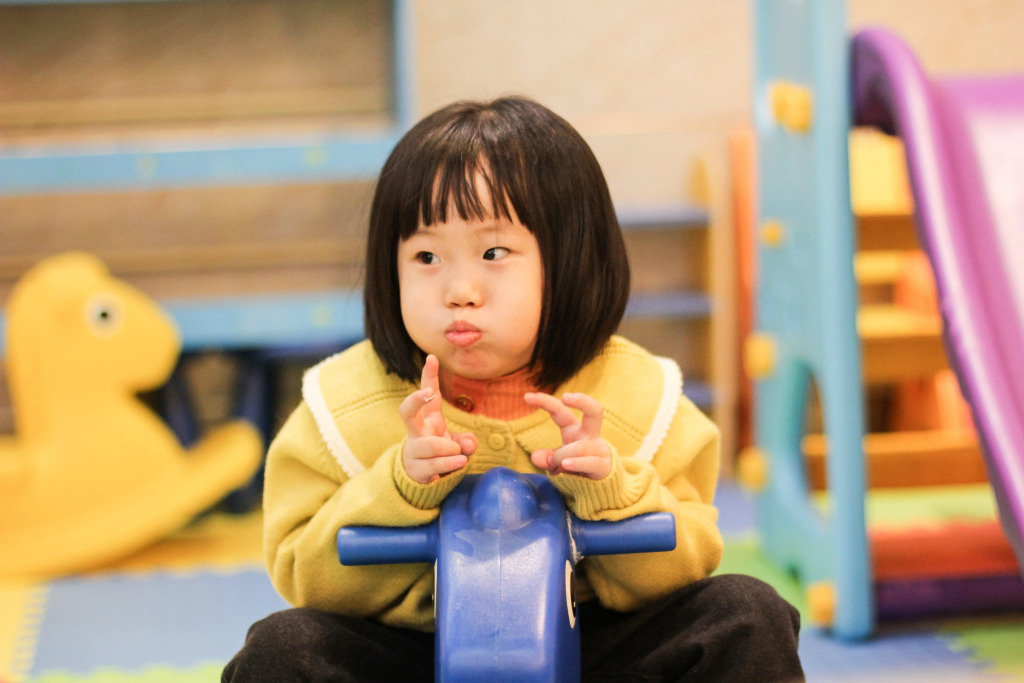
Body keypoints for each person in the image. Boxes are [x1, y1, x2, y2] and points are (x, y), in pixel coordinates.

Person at [223, 96, 803, 682]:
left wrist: (611, 494)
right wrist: (398, 489)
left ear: (572, 260)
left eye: (493, 252)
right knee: (281, 648)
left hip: (595, 649)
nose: (460, 290)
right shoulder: (346, 404)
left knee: (745, 612)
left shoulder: (638, 397)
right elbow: (301, 573)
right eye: (426, 255)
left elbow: (689, 562)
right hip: (415, 651)